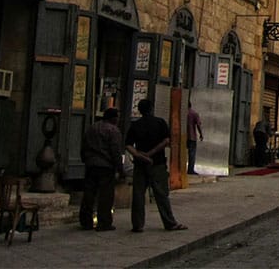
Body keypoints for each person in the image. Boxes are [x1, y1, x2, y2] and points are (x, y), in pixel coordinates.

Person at [126, 99, 187, 232]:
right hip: (157, 163)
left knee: (138, 195)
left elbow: (128, 145)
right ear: (152, 109)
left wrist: (139, 155)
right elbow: (166, 141)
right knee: (161, 194)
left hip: (140, 164)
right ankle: (170, 223)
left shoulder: (135, 125)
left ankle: (137, 224)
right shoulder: (160, 123)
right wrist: (151, 153)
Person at [80, 107, 124, 231]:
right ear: (113, 118)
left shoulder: (92, 128)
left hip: (91, 164)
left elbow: (84, 145)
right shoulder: (113, 130)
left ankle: (85, 221)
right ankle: (104, 222)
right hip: (106, 166)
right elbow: (115, 151)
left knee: (89, 194)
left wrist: (85, 159)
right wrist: (120, 168)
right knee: (105, 196)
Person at [186, 101, 204, 175]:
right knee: (192, 154)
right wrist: (201, 134)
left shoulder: (182, 113)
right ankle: (190, 170)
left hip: (183, 136)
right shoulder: (194, 113)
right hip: (191, 136)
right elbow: (198, 125)